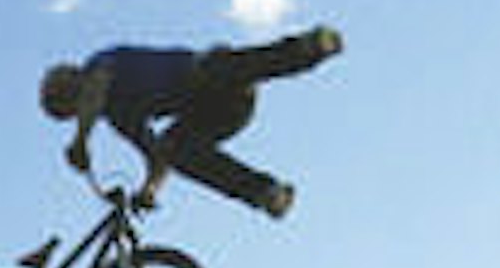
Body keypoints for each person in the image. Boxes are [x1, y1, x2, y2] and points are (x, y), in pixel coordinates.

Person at [40, 24, 343, 216]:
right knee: (175, 148)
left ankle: (306, 48)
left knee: (219, 67)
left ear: (74, 80)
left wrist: (81, 141)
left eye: (73, 101)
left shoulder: (99, 64)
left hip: (210, 78)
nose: (80, 110)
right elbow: (158, 158)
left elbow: (96, 88)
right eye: (73, 111)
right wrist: (149, 191)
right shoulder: (120, 117)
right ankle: (265, 192)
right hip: (217, 115)